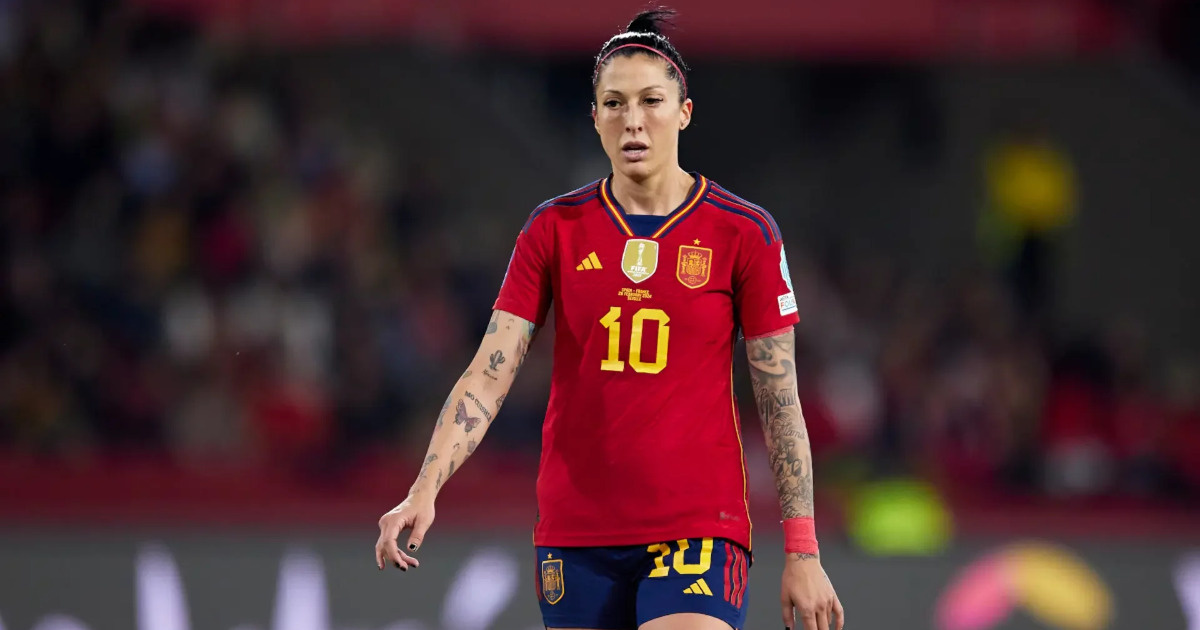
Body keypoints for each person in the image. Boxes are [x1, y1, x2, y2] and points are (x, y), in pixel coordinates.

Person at [375, 9, 843, 630]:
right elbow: (488, 375)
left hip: (698, 526)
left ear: (684, 112)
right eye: (615, 104)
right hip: (576, 531)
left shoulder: (743, 232)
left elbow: (779, 398)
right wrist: (425, 487)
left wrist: (803, 548)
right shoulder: (553, 229)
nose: (633, 120)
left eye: (651, 101)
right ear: (595, 117)